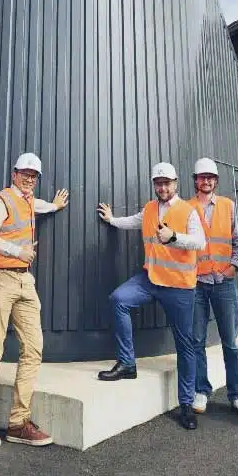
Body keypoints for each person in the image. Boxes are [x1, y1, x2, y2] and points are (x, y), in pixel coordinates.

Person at [95, 162, 205, 431]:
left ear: (176, 183)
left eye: (167, 183)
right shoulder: (149, 208)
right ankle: (127, 364)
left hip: (179, 286)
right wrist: (111, 220)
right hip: (151, 279)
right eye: (159, 183)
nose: (163, 187)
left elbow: (200, 242)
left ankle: (187, 404)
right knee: (119, 299)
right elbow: (133, 221)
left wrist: (174, 237)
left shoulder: (188, 210)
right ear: (154, 184)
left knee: (185, 344)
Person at [0, 152, 69, 448]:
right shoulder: (0, 200)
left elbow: (36, 207)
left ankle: (18, 423)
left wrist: (54, 205)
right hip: (1, 278)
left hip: (25, 281)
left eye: (34, 175)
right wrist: (18, 253)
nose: (29, 178)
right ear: (14, 173)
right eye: (25, 173)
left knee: (33, 349)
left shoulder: (28, 201)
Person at [186, 157, 238, 419]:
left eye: (210, 177)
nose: (206, 181)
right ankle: (201, 391)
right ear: (196, 180)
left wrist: (233, 269)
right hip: (196, 285)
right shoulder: (186, 208)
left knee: (230, 342)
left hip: (224, 284)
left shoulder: (228, 206)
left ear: (216, 181)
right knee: (196, 341)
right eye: (202, 177)